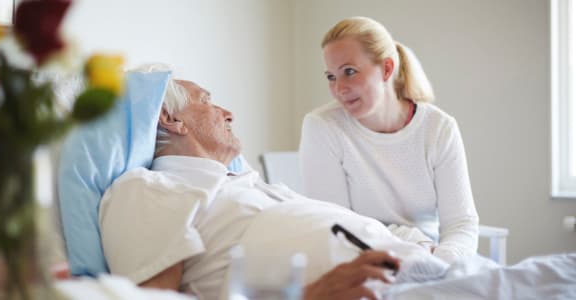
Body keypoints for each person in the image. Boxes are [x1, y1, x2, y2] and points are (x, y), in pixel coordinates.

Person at [98, 66, 442, 300]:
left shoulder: (252, 187)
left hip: (425, 275)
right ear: (169, 119)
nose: (228, 113)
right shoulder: (149, 189)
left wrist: (416, 243)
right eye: (205, 101)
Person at [299, 16, 479, 264]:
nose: (339, 88)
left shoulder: (439, 128)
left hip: (433, 261)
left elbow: (461, 223)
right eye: (331, 77)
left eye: (349, 72)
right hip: (360, 262)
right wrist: (415, 243)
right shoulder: (322, 126)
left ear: (386, 68)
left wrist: (442, 263)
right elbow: (337, 223)